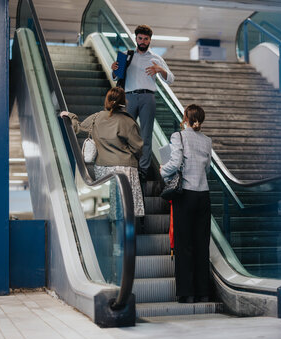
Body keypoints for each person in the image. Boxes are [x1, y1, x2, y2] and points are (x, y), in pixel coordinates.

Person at [60, 87, 145, 218]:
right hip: (125, 170)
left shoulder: (96, 118)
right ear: (124, 102)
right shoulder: (128, 122)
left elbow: (78, 127)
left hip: (103, 170)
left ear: (107, 100)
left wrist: (69, 115)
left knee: (113, 205)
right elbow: (137, 148)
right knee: (127, 207)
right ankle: (128, 232)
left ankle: (114, 230)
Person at [160, 104, 213, 303]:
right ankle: (203, 292)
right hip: (203, 195)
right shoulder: (207, 140)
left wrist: (162, 170)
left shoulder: (178, 136)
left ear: (185, 118)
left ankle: (186, 293)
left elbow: (174, 163)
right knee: (201, 244)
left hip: (186, 195)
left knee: (184, 245)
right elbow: (207, 168)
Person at [111, 24, 175, 184]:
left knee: (146, 136)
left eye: (146, 39)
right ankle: (128, 166)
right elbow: (115, 77)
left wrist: (161, 70)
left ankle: (143, 171)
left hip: (148, 97)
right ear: (136, 38)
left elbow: (171, 79)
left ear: (150, 40)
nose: (143, 41)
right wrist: (113, 69)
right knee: (126, 134)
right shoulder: (126, 55)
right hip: (129, 97)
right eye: (140, 38)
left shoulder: (155, 58)